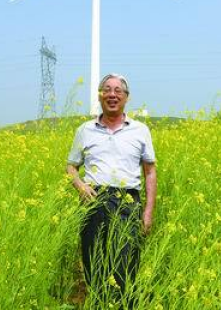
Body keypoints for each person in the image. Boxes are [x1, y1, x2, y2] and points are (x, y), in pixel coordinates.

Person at [66, 73, 157, 302]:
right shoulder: (85, 130)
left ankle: (123, 304)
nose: (112, 94)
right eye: (106, 89)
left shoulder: (140, 130)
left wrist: (147, 212)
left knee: (126, 264)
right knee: (93, 261)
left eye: (118, 90)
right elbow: (71, 166)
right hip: (93, 201)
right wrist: (80, 185)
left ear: (126, 97)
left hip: (128, 202)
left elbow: (150, 172)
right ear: (99, 96)